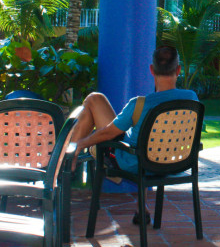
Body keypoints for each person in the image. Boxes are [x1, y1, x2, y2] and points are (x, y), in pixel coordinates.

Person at [70, 46, 198, 224]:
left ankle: (68, 159)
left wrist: (82, 143)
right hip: (175, 162)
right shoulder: (191, 99)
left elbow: (109, 132)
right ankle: (141, 207)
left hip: (135, 162)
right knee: (145, 145)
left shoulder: (140, 104)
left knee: (94, 99)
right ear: (178, 70)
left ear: (152, 70)